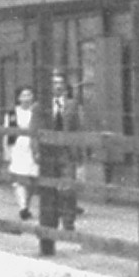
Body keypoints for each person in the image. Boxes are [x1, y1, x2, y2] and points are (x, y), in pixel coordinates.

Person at [45, 75, 84, 229]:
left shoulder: (72, 105)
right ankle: (50, 221)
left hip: (67, 152)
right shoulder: (43, 105)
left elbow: (78, 129)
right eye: (54, 83)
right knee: (50, 188)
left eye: (61, 83)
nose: (58, 86)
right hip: (48, 152)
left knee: (68, 188)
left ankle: (68, 222)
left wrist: (79, 154)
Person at [3, 85, 39, 221]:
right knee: (19, 179)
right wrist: (6, 152)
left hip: (32, 146)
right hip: (17, 147)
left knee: (31, 178)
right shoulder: (12, 113)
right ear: (18, 98)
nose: (26, 98)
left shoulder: (36, 112)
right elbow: (7, 133)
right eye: (23, 95)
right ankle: (22, 207)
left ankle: (26, 206)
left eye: (29, 95)